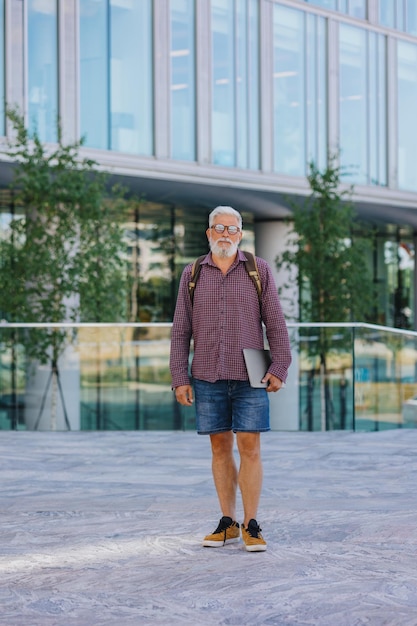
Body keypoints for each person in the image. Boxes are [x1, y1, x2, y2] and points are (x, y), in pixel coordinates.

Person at [169, 206, 291, 552]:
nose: (225, 234)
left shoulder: (257, 269)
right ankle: (228, 522)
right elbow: (181, 331)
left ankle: (252, 524)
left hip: (251, 372)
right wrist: (180, 376)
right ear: (208, 233)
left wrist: (280, 365)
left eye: (232, 229)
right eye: (218, 228)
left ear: (240, 234)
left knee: (249, 447)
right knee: (219, 448)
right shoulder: (192, 273)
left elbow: (275, 322)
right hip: (206, 372)